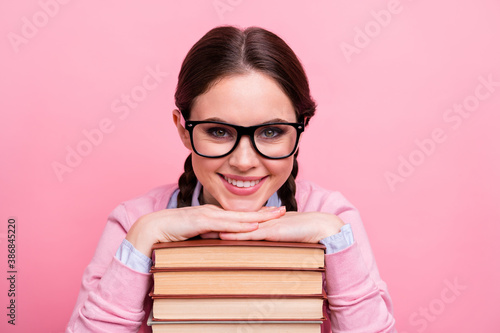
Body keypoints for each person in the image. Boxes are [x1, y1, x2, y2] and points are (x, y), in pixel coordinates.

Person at [66, 26, 395, 333]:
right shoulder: (135, 221)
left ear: (301, 128)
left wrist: (333, 239)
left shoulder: (333, 219)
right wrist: (143, 237)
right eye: (219, 131)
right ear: (183, 129)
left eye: (271, 132)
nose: (243, 161)